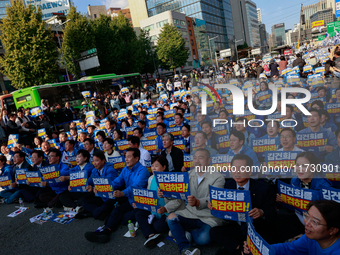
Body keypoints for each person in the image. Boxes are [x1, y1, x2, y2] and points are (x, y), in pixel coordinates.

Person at [209, 154, 277, 255]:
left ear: (249, 171)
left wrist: (261, 212)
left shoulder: (263, 188)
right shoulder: (228, 185)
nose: (237, 172)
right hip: (236, 226)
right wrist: (214, 206)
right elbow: (225, 213)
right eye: (234, 168)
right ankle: (241, 248)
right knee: (214, 232)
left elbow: (273, 213)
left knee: (268, 241)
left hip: (256, 228)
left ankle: (240, 249)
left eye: (241, 168)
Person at [166, 148, 225, 255]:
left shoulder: (218, 177)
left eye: (200, 158)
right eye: (195, 158)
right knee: (171, 217)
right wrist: (166, 194)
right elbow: (178, 195)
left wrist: (198, 202)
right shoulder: (187, 175)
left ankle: (183, 233)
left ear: (208, 160)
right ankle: (184, 248)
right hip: (190, 212)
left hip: (209, 216)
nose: (197, 161)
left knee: (203, 239)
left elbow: (214, 198)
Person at [84, 148, 150, 243]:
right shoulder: (125, 169)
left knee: (122, 218)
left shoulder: (143, 171)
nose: (126, 159)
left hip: (141, 202)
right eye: (125, 157)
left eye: (129, 157)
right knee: (116, 211)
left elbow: (136, 186)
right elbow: (117, 182)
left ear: (136, 158)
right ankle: (106, 232)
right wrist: (102, 187)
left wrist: (122, 193)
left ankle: (111, 223)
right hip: (130, 199)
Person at [243, 200, 340, 255]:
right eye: (307, 216)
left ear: (333, 230)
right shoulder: (310, 238)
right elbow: (288, 248)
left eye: (314, 222)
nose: (307, 223)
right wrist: (257, 248)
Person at [275, 152, 332, 242]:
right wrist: (282, 199)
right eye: (297, 165)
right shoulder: (294, 180)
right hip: (299, 218)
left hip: (316, 223)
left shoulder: (324, 186)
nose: (300, 169)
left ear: (314, 168)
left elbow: (328, 215)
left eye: (304, 166)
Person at [133, 156, 185, 248]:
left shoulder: (171, 179)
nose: (153, 168)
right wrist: (139, 203)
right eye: (152, 166)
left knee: (158, 226)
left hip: (168, 212)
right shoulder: (151, 179)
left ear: (164, 167)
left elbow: (178, 200)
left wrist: (165, 208)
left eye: (156, 166)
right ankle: (151, 235)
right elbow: (149, 196)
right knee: (138, 213)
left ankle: (148, 226)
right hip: (155, 210)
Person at [76, 151, 118, 220]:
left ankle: (91, 213)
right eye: (93, 161)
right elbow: (88, 181)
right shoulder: (94, 171)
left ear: (103, 160)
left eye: (96, 160)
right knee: (84, 203)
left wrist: (95, 188)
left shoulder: (110, 170)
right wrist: (74, 185)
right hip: (100, 196)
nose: (94, 163)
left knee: (104, 209)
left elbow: (111, 186)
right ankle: (99, 212)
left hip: (110, 197)